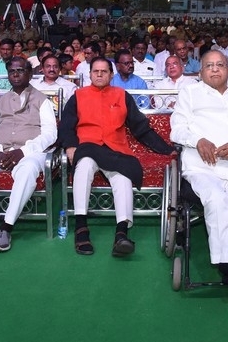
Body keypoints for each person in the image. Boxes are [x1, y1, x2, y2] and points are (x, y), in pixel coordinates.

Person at [59, 57, 175, 257]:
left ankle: (122, 232)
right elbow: (66, 125)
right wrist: (70, 146)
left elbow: (141, 128)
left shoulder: (122, 95)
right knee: (84, 165)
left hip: (115, 149)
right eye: (96, 71)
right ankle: (81, 227)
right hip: (88, 146)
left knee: (123, 177)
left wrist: (166, 149)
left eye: (104, 71)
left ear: (111, 75)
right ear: (90, 74)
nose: (100, 74)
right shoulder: (78, 96)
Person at [170, 50, 228, 287]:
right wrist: (198, 140)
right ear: (200, 71)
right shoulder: (189, 93)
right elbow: (177, 129)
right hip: (201, 166)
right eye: (208, 65)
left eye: (220, 65)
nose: (214, 69)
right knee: (216, 198)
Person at [0, 57, 58, 258]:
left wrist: (23, 151)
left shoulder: (42, 101)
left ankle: (6, 227)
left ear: (30, 73)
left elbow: (50, 133)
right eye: (12, 71)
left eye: (20, 70)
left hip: (30, 153)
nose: (15, 74)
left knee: (27, 170)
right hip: (0, 152)